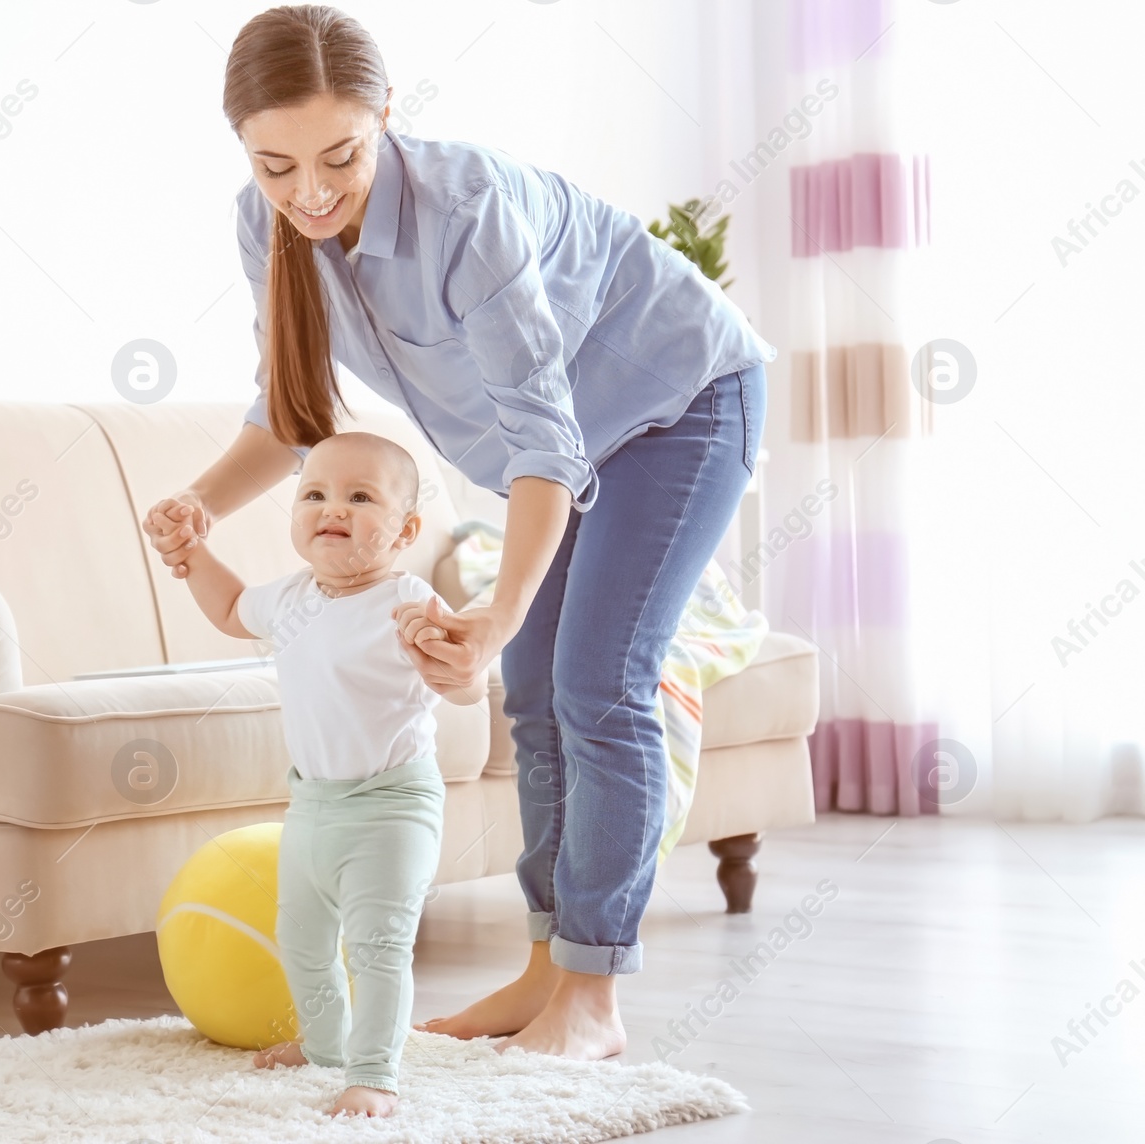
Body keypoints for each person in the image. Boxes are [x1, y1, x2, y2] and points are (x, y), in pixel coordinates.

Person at [142, 4, 771, 1065]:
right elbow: (289, 412)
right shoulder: (268, 229)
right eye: (274, 165)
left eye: (338, 156)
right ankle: (544, 966)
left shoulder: (466, 210)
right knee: (530, 690)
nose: (308, 192)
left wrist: (493, 613)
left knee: (597, 681)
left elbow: (542, 437)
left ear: (388, 115)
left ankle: (594, 993)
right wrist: (202, 500)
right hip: (567, 447)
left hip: (681, 405)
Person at [154, 430, 479, 1119]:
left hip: (391, 808)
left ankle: (373, 1072)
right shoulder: (293, 598)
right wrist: (189, 552)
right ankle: (328, 1042)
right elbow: (229, 608)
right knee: (301, 940)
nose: (333, 507)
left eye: (360, 497)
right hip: (311, 804)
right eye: (314, 494)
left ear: (405, 530)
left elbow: (466, 682)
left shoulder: (408, 600)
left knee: (377, 947)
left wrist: (451, 662)